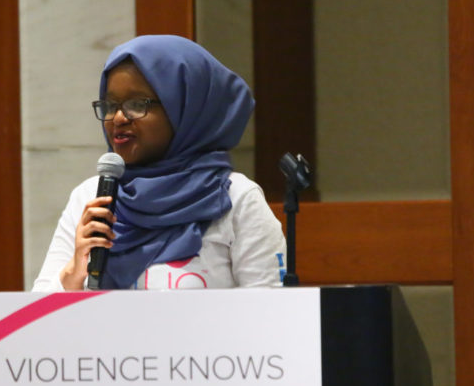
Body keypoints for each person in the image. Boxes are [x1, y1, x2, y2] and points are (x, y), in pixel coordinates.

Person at [31, 35, 286, 291]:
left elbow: (271, 315)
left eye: (136, 104)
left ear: (186, 107)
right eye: (110, 105)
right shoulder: (91, 198)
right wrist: (74, 273)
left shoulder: (236, 199)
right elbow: (37, 319)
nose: (118, 117)